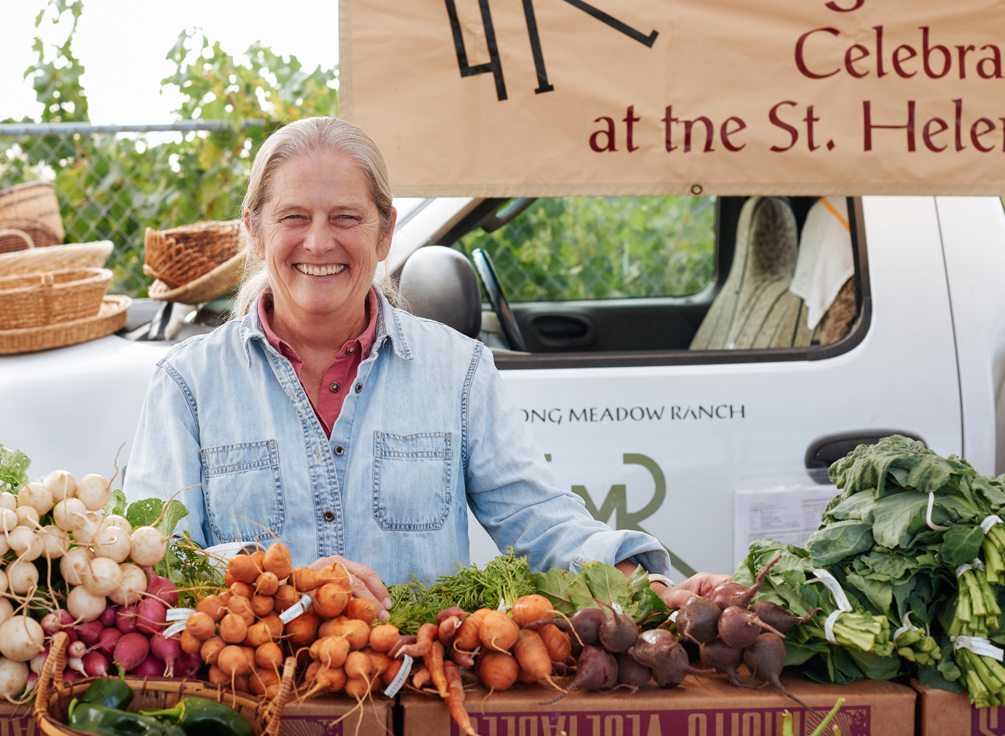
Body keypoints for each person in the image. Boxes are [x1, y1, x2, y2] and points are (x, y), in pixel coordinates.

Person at [123, 117, 727, 617]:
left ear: (385, 233)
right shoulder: (189, 383)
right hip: (252, 686)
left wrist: (643, 587)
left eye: (346, 217)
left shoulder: (458, 371)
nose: (319, 242)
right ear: (255, 233)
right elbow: (156, 558)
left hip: (419, 684)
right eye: (294, 217)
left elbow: (537, 519)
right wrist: (292, 583)